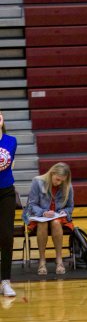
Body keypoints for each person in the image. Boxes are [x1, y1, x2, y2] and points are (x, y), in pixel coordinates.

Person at [24, 162, 75, 275]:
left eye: (62, 181)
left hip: (57, 217)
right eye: (57, 179)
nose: (59, 183)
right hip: (39, 215)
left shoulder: (67, 185)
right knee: (43, 224)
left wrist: (65, 212)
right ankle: (42, 260)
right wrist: (43, 212)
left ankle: (59, 260)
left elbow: (70, 206)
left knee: (56, 222)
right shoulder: (37, 181)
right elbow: (31, 205)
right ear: (52, 173)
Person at [0, 112, 17, 298]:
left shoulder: (11, 141)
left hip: (6, 192)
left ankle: (5, 281)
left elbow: (9, 165)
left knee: (6, 236)